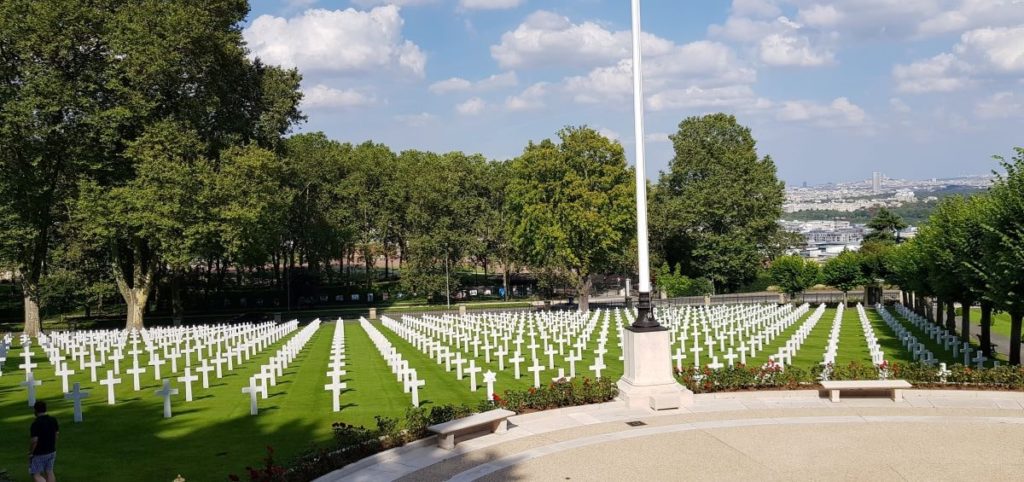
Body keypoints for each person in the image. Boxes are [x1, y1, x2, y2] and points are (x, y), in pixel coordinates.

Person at [29, 400, 58, 482]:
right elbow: (56, 435)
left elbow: (34, 440)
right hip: (52, 450)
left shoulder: (36, 423)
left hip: (39, 452)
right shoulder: (53, 420)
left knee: (36, 474)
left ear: (35, 410)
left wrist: (31, 452)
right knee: (49, 471)